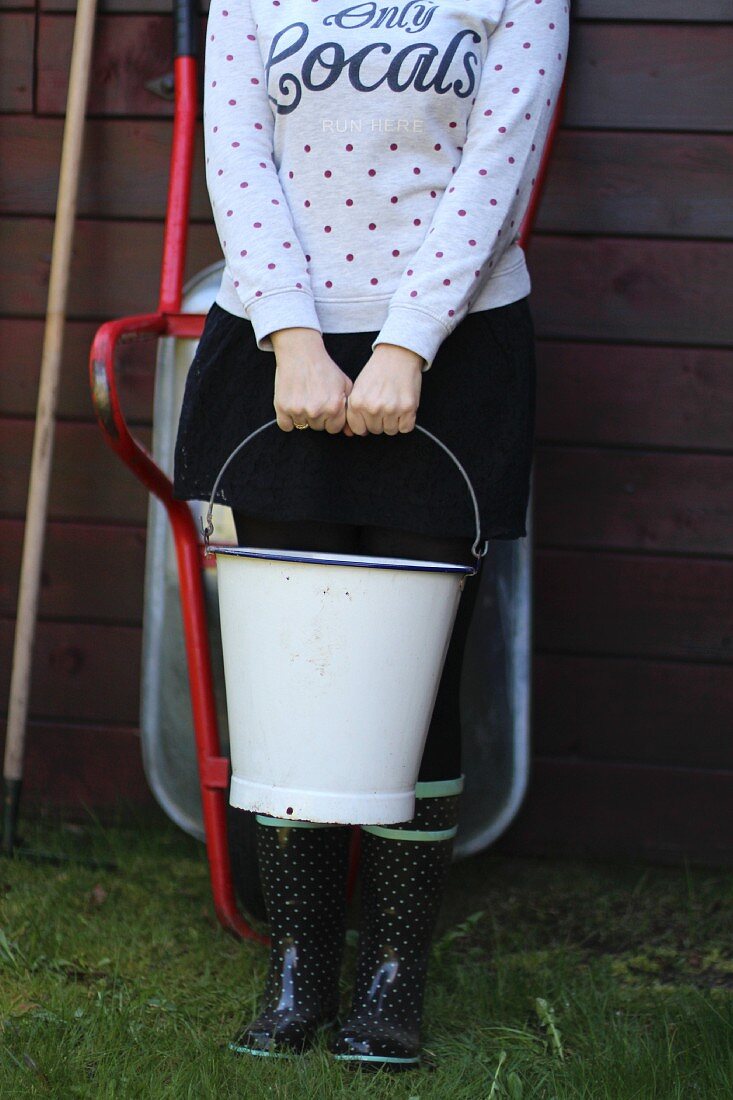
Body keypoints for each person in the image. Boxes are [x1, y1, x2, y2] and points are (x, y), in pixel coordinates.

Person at [173, 0, 569, 1072]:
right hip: (274, 342)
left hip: (457, 344)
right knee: (286, 670)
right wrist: (294, 338)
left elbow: (497, 166)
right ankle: (300, 962)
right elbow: (239, 158)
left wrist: (405, 344)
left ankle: (394, 975)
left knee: (412, 677)